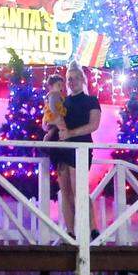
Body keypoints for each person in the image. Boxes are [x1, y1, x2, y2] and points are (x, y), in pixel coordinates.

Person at [58, 63, 101, 240]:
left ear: (82, 79)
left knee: (80, 190)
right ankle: (70, 232)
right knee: (65, 191)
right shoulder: (63, 102)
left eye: (75, 78)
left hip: (81, 148)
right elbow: (54, 122)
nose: (72, 81)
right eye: (69, 79)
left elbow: (94, 125)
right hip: (62, 150)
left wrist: (71, 133)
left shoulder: (91, 100)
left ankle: (91, 229)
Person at [42, 74, 67, 142]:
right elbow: (52, 106)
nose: (61, 87)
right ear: (50, 87)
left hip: (52, 116)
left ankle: (48, 137)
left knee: (53, 129)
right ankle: (64, 138)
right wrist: (57, 115)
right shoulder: (54, 94)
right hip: (53, 116)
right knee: (62, 127)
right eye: (59, 85)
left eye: (62, 85)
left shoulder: (55, 94)